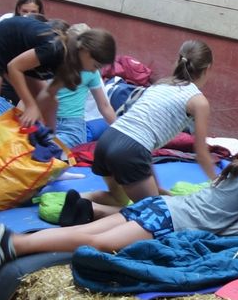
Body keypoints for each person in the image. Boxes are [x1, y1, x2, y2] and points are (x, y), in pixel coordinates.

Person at [0, 124, 238, 298]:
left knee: (90, 234)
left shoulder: (235, 170)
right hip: (169, 218)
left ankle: (15, 243)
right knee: (98, 242)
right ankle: (13, 245)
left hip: (162, 207)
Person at [0, 15, 118, 204]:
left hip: (16, 55)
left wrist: (41, 125)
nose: (94, 71)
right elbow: (14, 67)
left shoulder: (71, 62)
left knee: (52, 103)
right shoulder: (55, 48)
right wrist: (30, 106)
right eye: (96, 65)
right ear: (85, 51)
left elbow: (48, 95)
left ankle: (49, 163)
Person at [87, 40, 215, 208]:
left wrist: (157, 188)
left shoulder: (162, 84)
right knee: (153, 214)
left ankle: (78, 200)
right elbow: (201, 152)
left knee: (118, 200)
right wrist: (217, 182)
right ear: (207, 69)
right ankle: (90, 210)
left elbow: (144, 147)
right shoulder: (199, 101)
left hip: (107, 140)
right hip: (129, 150)